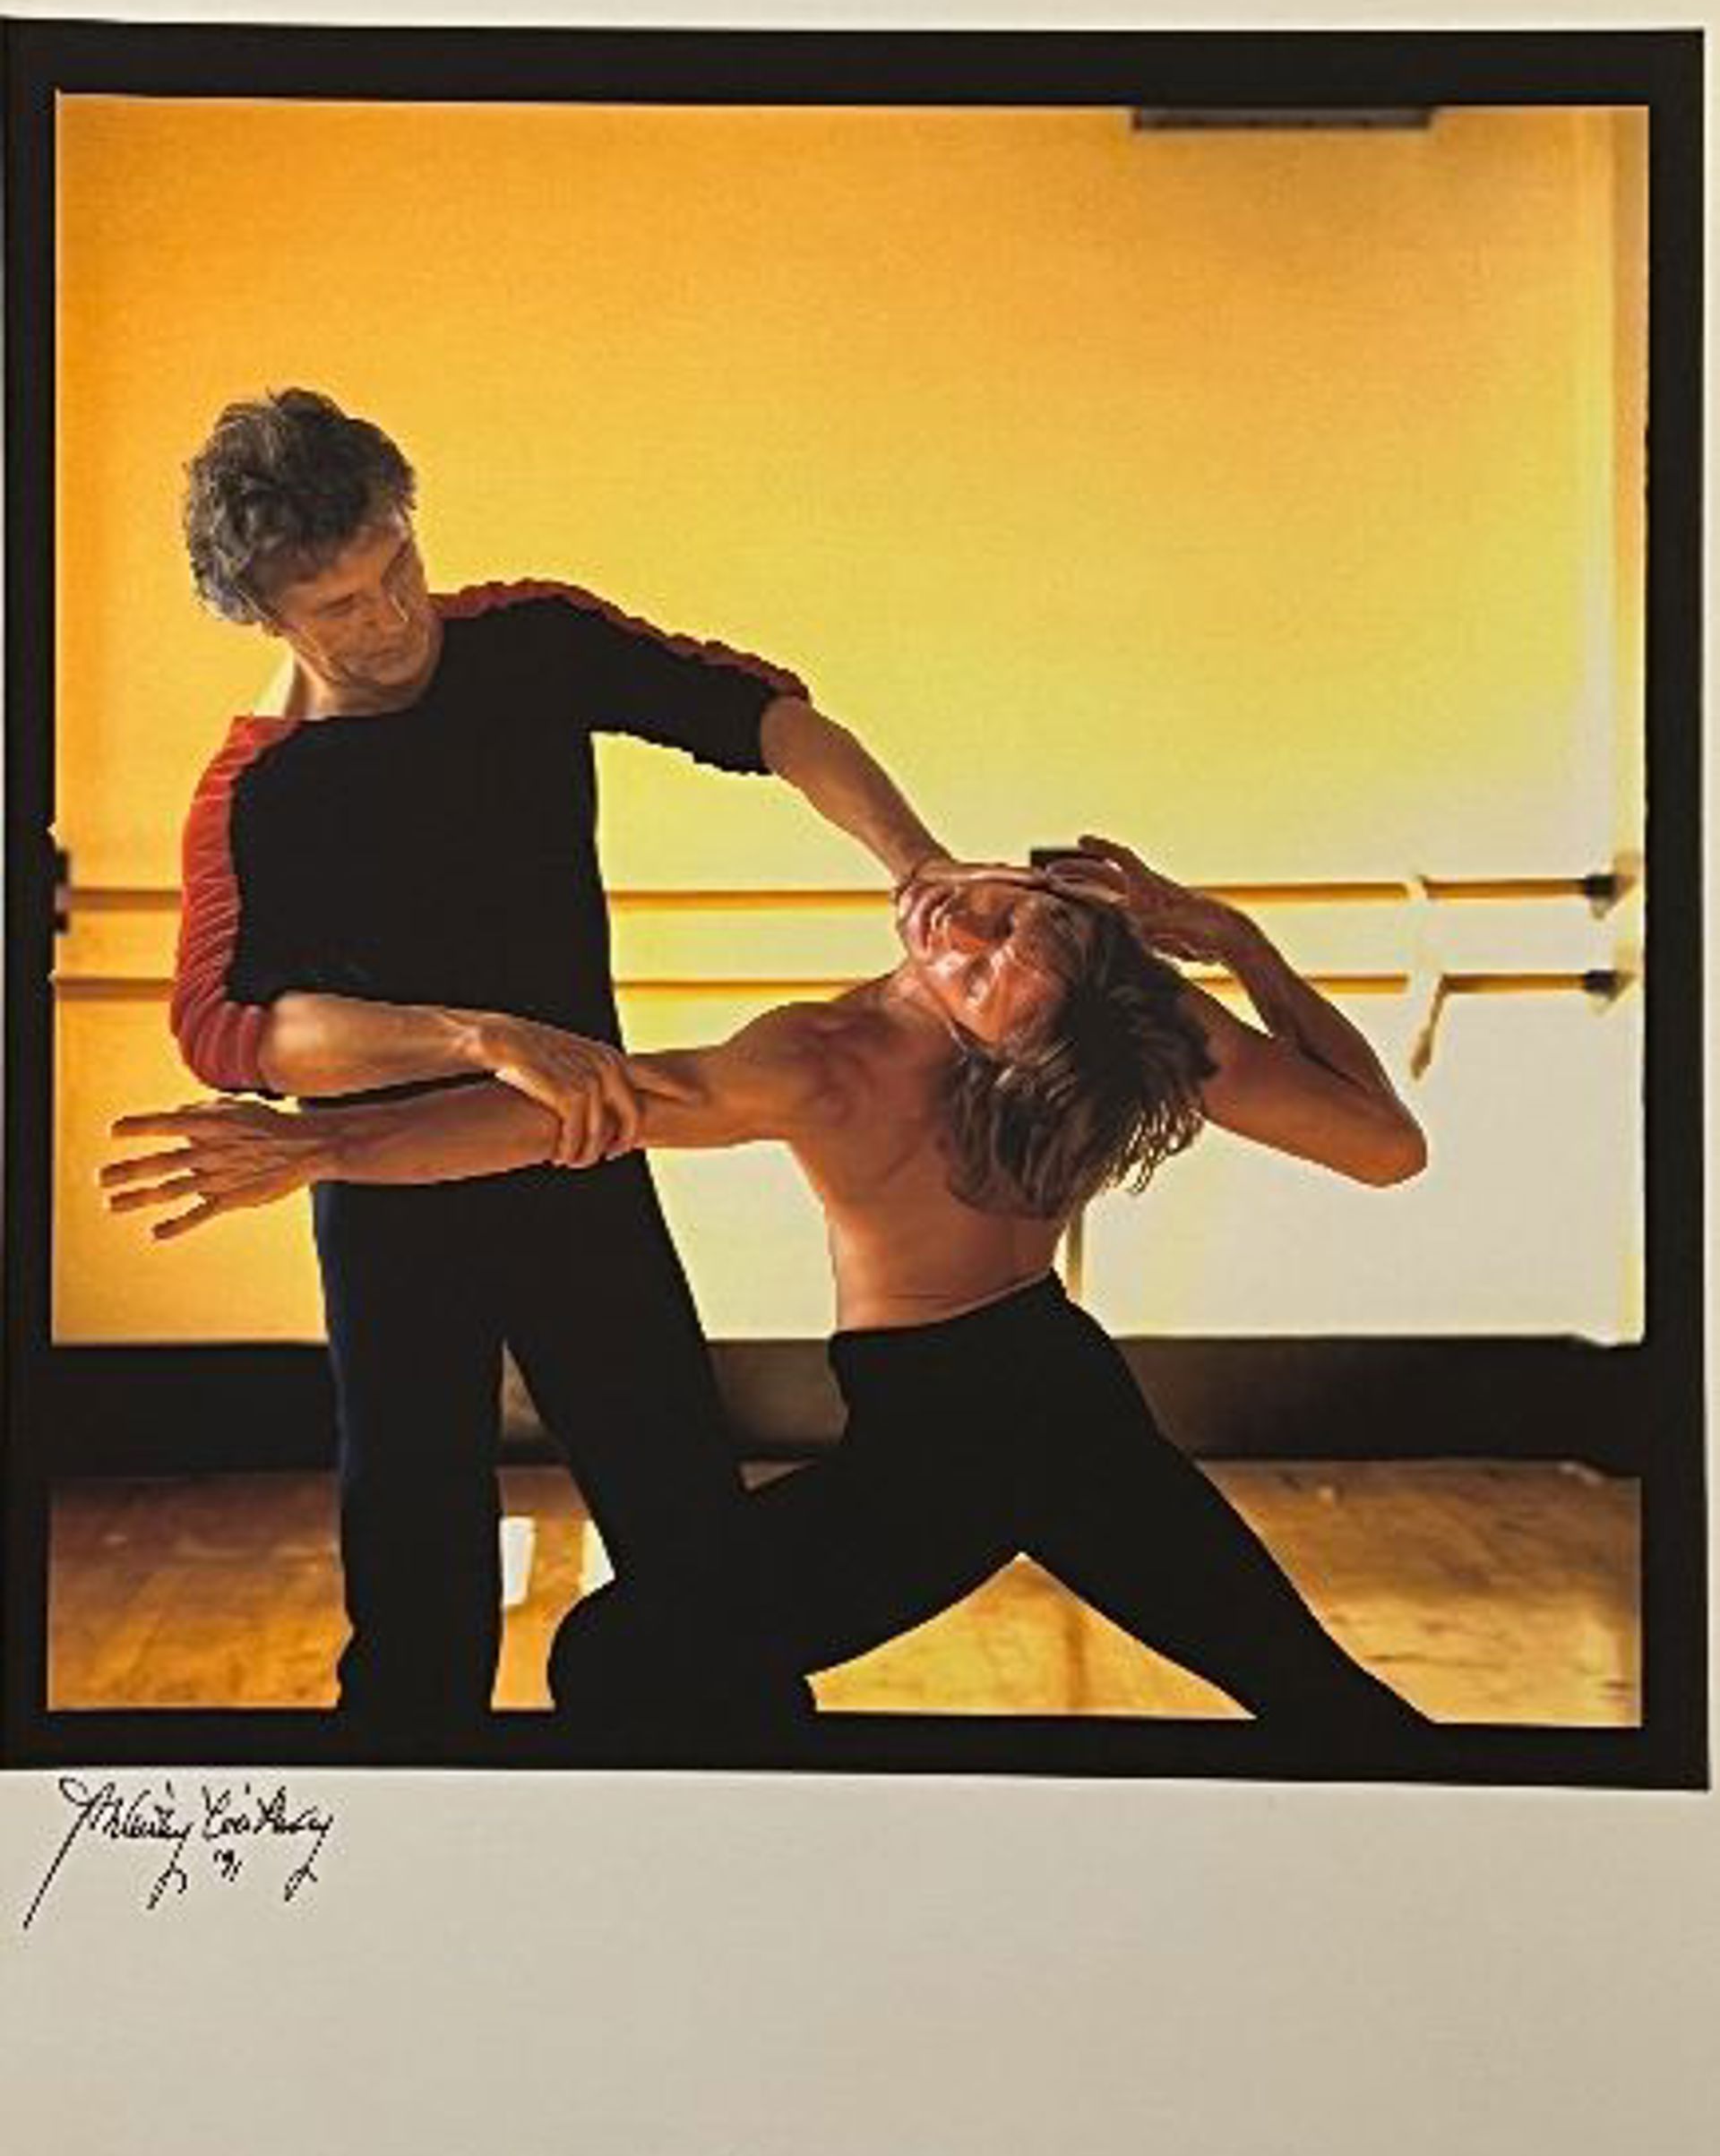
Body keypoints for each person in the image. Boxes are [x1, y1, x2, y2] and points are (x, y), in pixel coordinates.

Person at [116, 835, 1432, 1742]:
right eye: (1002, 911)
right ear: (1068, 901)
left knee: (614, 1657)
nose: (958, 933)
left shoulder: (831, 1058)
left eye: (980, 975)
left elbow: (572, 1112)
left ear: (1009, 1037)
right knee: (634, 1657)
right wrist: (1238, 942)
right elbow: (1386, 1137)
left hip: (984, 1439)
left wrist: (327, 1144)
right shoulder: (1140, 1004)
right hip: (1030, 1402)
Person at [168, 386, 958, 1749]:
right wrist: (475, 1033)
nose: (390, 615)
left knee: (687, 1517)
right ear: (266, 617)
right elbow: (230, 1030)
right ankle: (419, 1829)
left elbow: (765, 715)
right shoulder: (258, 791)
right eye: (340, 606)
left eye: (396, 566)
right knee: (419, 1575)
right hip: (389, 1199)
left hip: (577, 1163)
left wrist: (922, 866)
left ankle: (767, 1789)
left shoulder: (531, 639)